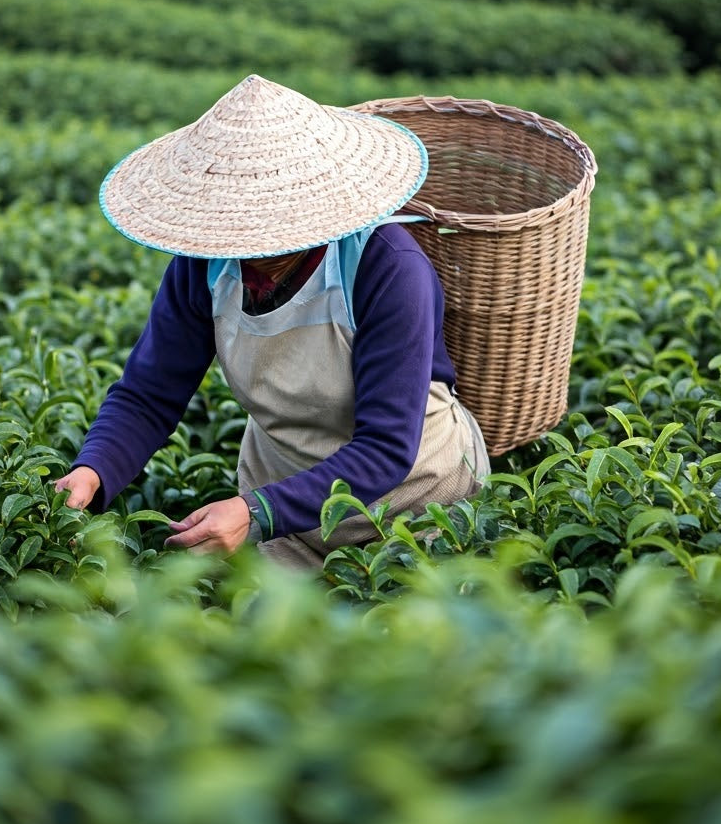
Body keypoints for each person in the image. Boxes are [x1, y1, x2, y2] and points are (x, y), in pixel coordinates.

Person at [54, 74, 489, 568]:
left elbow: (387, 447)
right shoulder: (205, 265)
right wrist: (93, 470)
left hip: (415, 506)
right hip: (286, 514)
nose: (248, 249)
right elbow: (149, 393)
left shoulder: (387, 267)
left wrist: (256, 511)